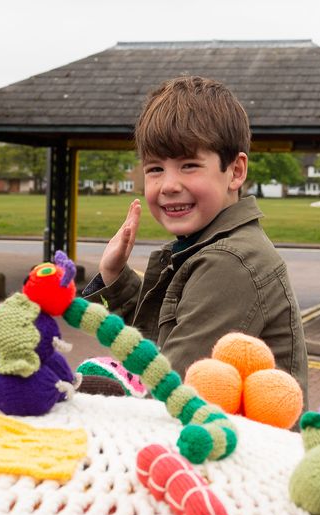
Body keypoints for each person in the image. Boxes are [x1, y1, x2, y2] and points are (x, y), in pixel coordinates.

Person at [82, 75, 308, 402]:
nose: (169, 184)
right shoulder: (201, 248)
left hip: (238, 447)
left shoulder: (230, 262)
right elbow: (158, 342)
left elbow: (167, 388)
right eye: (155, 169)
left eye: (189, 165)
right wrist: (115, 276)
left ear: (235, 172)